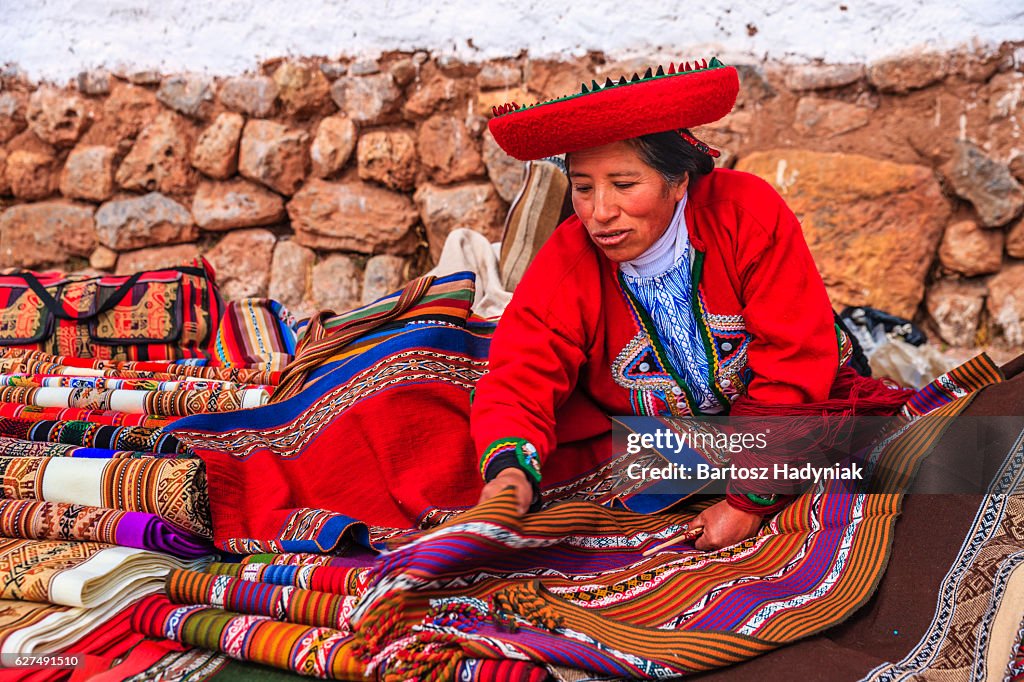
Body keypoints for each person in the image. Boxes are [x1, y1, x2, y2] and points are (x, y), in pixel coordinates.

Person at [472, 59, 913, 550]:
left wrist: (749, 501)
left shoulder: (745, 212)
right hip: (664, 440)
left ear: (678, 180)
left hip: (801, 405)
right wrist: (509, 475)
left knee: (903, 479)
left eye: (623, 185)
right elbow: (520, 373)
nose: (600, 212)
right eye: (582, 188)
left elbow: (792, 363)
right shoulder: (568, 258)